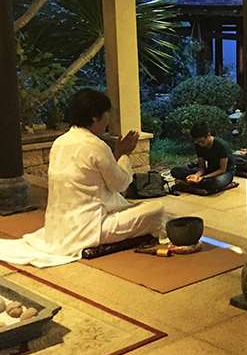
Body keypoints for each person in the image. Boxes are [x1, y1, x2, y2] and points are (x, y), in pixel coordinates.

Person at [0, 89, 164, 267]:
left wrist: (116, 154)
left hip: (57, 229)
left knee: (127, 206)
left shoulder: (60, 142)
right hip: (89, 228)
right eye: (107, 114)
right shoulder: (96, 146)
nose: (109, 119)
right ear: (95, 117)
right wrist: (124, 155)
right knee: (157, 210)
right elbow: (120, 184)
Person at [170, 123, 235, 193]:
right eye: (198, 142)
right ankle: (196, 184)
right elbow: (202, 168)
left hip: (225, 173)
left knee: (216, 182)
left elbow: (222, 170)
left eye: (202, 142)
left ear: (208, 135)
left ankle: (187, 184)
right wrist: (196, 175)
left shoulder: (221, 145)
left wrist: (203, 178)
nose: (200, 144)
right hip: (210, 170)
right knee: (175, 171)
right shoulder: (198, 145)